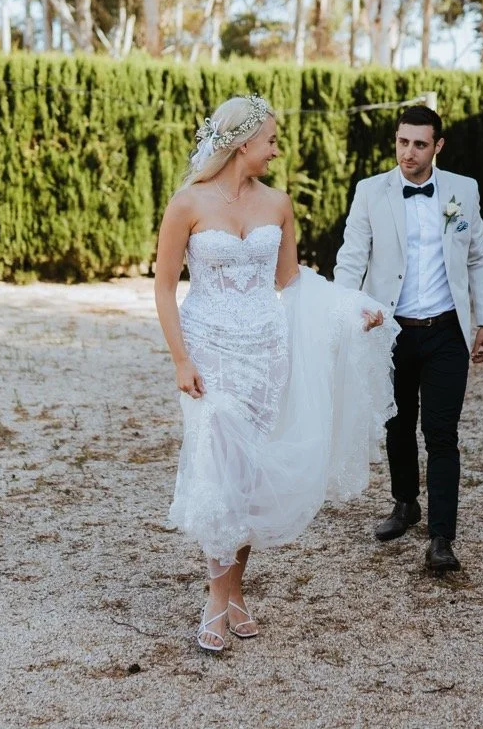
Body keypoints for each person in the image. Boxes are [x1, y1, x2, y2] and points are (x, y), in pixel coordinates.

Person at [153, 93, 398, 653]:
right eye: (271, 140)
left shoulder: (278, 203)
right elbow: (164, 288)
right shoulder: (186, 204)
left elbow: (292, 281)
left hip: (266, 351)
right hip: (209, 352)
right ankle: (216, 601)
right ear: (243, 143)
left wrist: (350, 310)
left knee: (248, 473)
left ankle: (235, 591)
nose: (276, 150)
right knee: (219, 466)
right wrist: (181, 359)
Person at [333, 105, 483, 573]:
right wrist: (345, 313)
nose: (409, 152)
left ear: (437, 146)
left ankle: (442, 538)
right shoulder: (370, 191)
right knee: (398, 424)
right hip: (391, 332)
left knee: (441, 434)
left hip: (446, 332)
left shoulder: (463, 190)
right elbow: (351, 258)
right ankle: (405, 503)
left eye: (420, 144)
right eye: (403, 142)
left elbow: (478, 257)